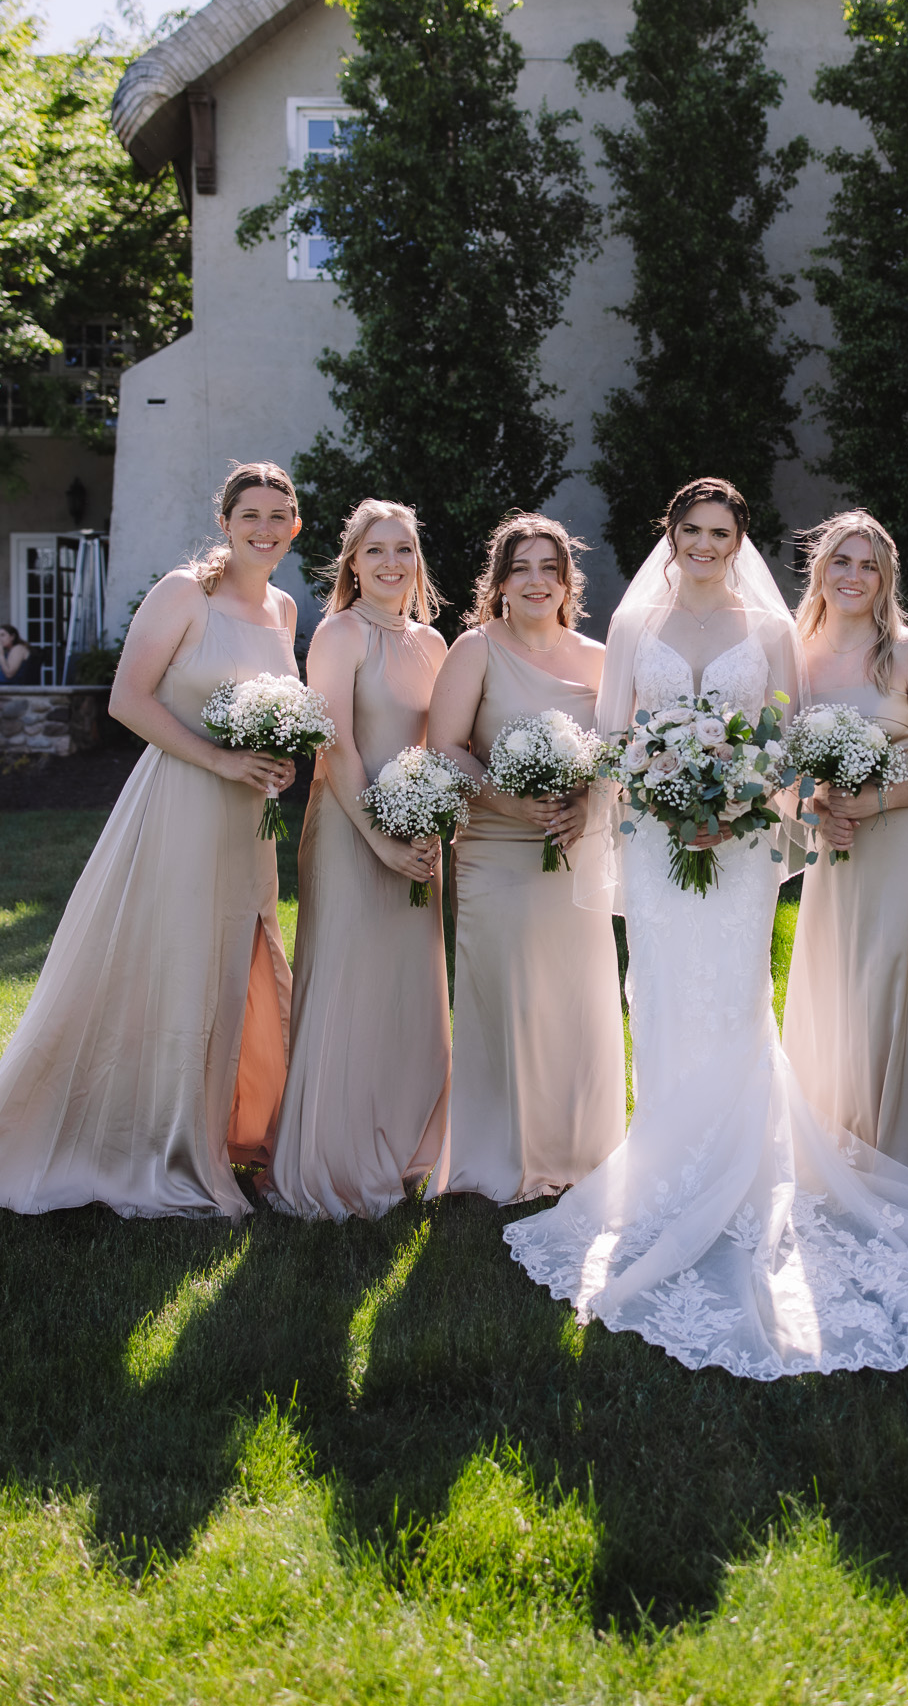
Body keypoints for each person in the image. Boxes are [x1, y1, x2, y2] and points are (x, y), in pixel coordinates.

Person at [503, 477, 908, 1380]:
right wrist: (657, 797)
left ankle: (740, 1181)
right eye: (689, 529)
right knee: (657, 999)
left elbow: (779, 746)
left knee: (731, 1004)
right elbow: (613, 741)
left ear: (738, 542)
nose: (703, 544)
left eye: (719, 532)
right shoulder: (631, 625)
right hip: (655, 847)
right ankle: (663, 1174)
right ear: (671, 534)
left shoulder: (770, 634)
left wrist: (734, 806)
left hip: (733, 849)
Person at [0, 461, 300, 1219]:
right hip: (182, 803)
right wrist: (224, 760)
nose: (264, 528)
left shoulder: (286, 610)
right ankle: (155, 1141)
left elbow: (277, 709)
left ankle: (229, 1127)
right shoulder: (183, 593)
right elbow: (128, 701)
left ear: (295, 528)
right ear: (225, 523)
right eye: (250, 515)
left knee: (238, 961)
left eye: (278, 516)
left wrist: (277, 760)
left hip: (248, 823)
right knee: (174, 961)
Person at [782, 510, 908, 1189]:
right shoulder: (791, 653)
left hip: (902, 849)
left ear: (886, 577)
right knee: (841, 1001)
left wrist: (872, 802)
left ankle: (903, 1158)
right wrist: (817, 808)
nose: (853, 576)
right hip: (836, 860)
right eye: (841, 560)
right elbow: (781, 767)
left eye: (868, 564)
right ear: (819, 567)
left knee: (890, 1001)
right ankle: (839, 1159)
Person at [423, 514, 626, 1205]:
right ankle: (499, 1158)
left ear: (568, 582)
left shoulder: (601, 660)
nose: (537, 580)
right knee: (506, 997)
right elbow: (444, 745)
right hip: (494, 846)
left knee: (577, 1000)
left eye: (550, 568)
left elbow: (615, 761)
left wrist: (586, 805)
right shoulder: (476, 648)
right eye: (522, 568)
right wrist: (507, 804)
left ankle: (579, 1152)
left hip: (572, 853)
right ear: (500, 582)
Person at [266, 500, 450, 1222]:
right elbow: (333, 745)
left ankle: (407, 1147)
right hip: (350, 832)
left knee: (408, 992)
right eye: (375, 550)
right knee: (348, 984)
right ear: (351, 561)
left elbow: (437, 745)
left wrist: (430, 828)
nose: (390, 563)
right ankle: (332, 1161)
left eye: (402, 549)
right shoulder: (339, 633)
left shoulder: (433, 642)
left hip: (419, 837)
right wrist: (378, 837)